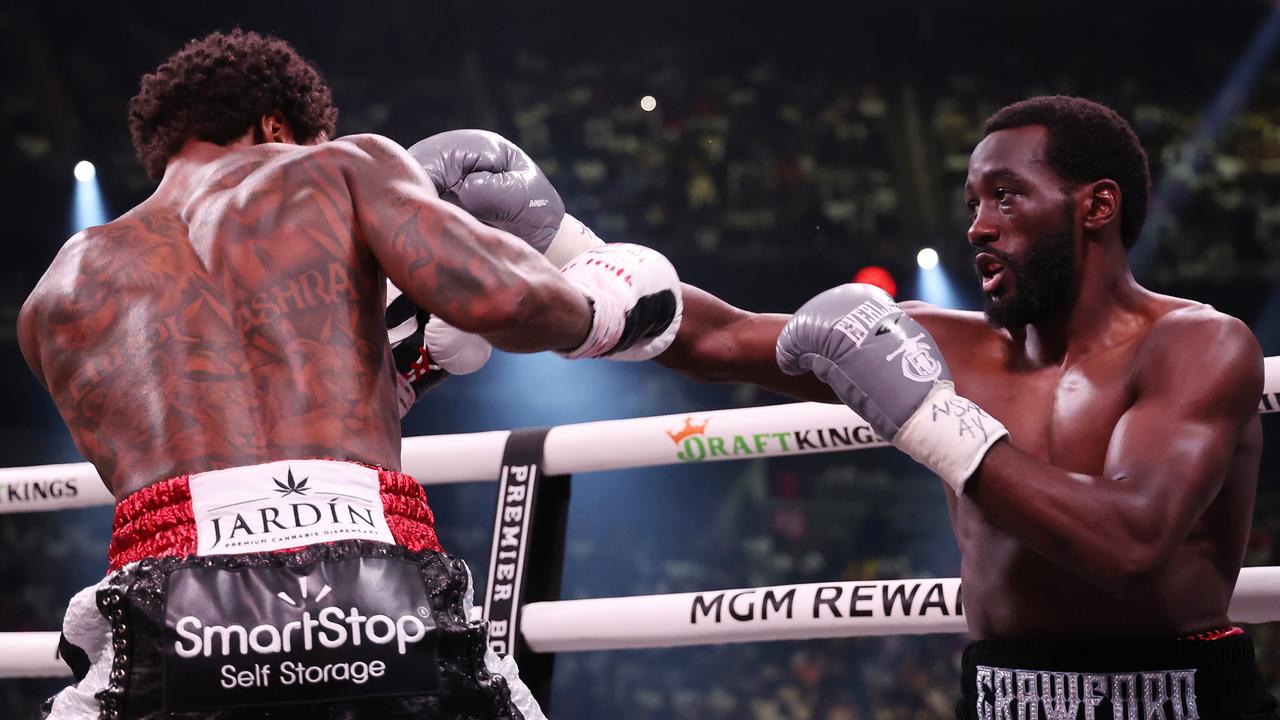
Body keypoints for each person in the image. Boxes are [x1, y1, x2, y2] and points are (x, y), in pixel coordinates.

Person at [430, 97, 1275, 719]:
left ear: (1096, 206)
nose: (978, 226)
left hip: (1180, 695)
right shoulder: (951, 344)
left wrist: (933, 424)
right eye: (974, 200)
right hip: (1004, 692)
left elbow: (1131, 546)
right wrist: (561, 241)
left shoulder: (1196, 346)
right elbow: (718, 338)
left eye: (1008, 197)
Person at [17, 30, 681, 720]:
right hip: (373, 579)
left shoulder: (55, 294)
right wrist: (601, 308)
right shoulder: (341, 167)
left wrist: (398, 382)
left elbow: (194, 451)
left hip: (170, 601)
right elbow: (502, 298)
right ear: (275, 125)